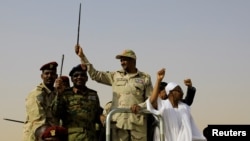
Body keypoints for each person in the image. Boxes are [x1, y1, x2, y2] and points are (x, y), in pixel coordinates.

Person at [75, 45, 153, 141]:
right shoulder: (115, 75)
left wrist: (140, 106)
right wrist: (82, 57)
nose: (122, 62)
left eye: (124, 60)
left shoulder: (145, 77)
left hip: (137, 124)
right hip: (118, 124)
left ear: (133, 61)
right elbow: (95, 75)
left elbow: (151, 99)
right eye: (121, 60)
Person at [146, 68, 206, 141]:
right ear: (170, 93)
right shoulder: (163, 105)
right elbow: (152, 102)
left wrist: (190, 87)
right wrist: (158, 80)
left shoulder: (184, 107)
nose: (181, 93)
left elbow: (188, 101)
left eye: (181, 90)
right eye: (178, 90)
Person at [56, 64, 102, 141]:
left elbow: (97, 114)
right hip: (72, 137)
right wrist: (58, 94)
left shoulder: (93, 94)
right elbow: (57, 113)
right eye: (76, 76)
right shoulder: (65, 94)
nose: (79, 77)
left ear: (87, 78)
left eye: (82, 75)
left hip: (90, 137)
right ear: (72, 79)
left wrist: (102, 117)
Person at [23, 61, 64, 141]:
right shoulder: (36, 94)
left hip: (52, 135)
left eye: (52, 74)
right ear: (42, 76)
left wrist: (59, 95)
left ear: (56, 76)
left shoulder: (57, 93)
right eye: (47, 73)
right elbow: (38, 122)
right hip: (37, 137)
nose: (49, 76)